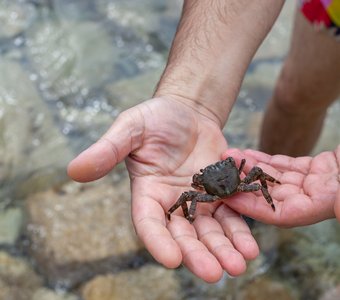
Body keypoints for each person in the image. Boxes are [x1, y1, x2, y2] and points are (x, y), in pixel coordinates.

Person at [67, 1, 340, 283]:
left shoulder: (199, 191)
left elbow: (189, 198)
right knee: (295, 97)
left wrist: (185, 213)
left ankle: (267, 210)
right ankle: (267, 208)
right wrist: (189, 100)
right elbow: (258, 176)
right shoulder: (246, 180)